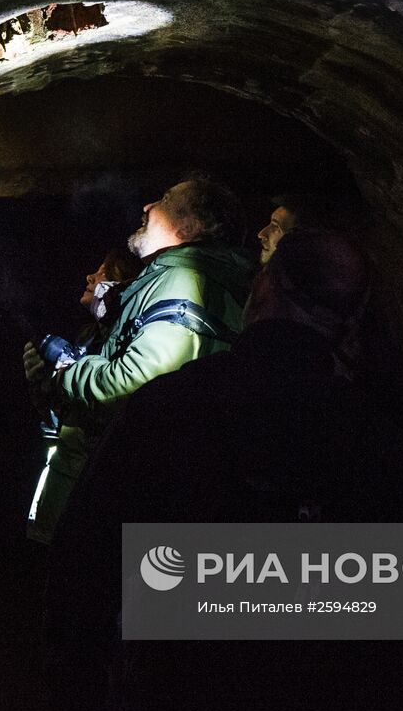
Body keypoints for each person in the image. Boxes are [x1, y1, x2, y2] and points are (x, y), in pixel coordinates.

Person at [45, 228, 403, 711]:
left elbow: (85, 562)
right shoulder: (378, 439)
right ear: (350, 320)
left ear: (262, 290)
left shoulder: (171, 406)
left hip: (177, 706)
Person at [23, 174, 254, 544]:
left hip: (130, 491)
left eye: (163, 198)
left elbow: (136, 382)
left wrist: (67, 368)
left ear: (189, 226)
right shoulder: (182, 278)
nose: (147, 207)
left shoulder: (184, 278)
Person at [26, 248, 141, 542]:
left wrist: (69, 369)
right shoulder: (87, 337)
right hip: (60, 486)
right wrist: (41, 381)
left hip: (98, 498)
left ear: (123, 286)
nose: (91, 277)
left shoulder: (129, 345)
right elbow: (56, 422)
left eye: (105, 273)